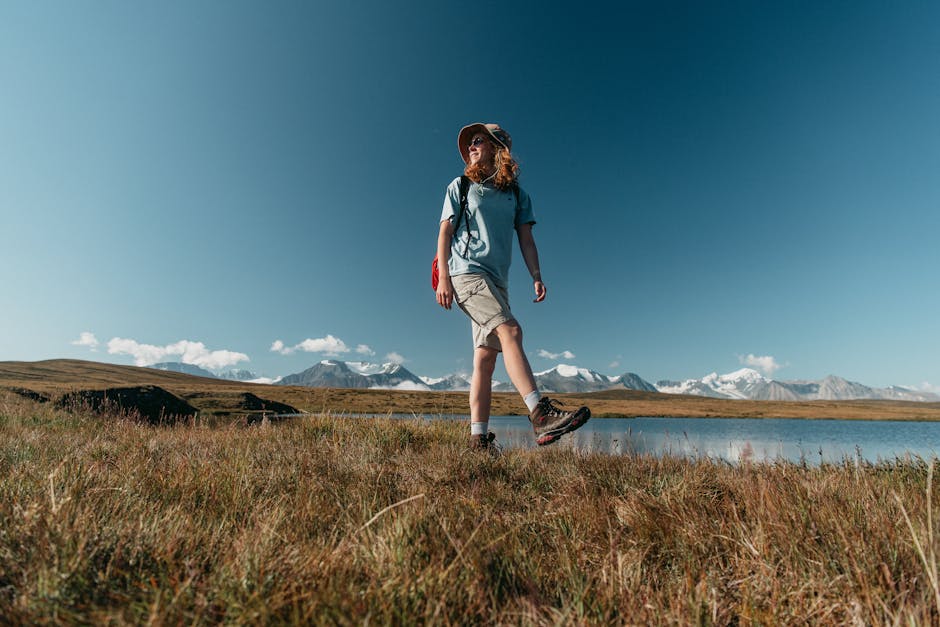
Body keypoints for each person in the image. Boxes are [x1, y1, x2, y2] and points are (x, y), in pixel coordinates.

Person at [436, 122, 590, 451]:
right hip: (465, 273)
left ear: (496, 147)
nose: (471, 148)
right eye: (470, 144)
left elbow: (527, 239)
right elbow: (445, 234)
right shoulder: (460, 186)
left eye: (478, 141)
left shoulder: (517, 195)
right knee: (512, 331)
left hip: (497, 282)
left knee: (485, 359)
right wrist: (445, 278)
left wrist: (536, 274)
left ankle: (478, 440)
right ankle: (540, 415)